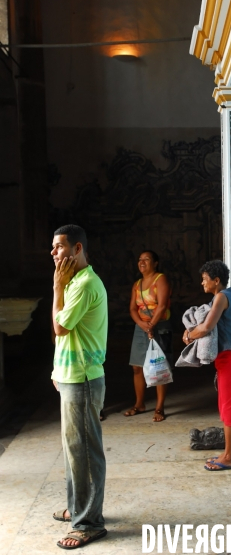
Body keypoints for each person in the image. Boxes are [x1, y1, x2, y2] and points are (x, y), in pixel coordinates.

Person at [51, 224, 108, 549]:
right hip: (71, 376)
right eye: (53, 247)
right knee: (75, 450)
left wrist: (57, 288)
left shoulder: (84, 284)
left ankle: (88, 522)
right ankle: (78, 508)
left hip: (84, 379)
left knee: (85, 451)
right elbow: (66, 336)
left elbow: (59, 326)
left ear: (77, 250)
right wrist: (56, 370)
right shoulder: (74, 283)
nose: (54, 253)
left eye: (59, 247)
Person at [182, 260, 231, 471]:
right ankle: (228, 452)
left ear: (216, 281)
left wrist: (190, 335)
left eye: (204, 279)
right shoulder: (224, 296)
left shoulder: (221, 297)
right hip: (227, 359)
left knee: (230, 409)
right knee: (226, 406)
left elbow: (207, 327)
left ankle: (230, 457)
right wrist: (192, 332)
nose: (202, 283)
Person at [125, 250, 172, 422]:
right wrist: (142, 324)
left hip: (159, 326)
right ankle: (140, 404)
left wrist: (151, 325)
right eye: (140, 259)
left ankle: (159, 407)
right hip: (142, 327)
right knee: (137, 367)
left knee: (159, 366)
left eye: (147, 259)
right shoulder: (137, 284)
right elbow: (132, 308)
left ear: (156, 263)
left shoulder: (161, 279)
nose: (142, 262)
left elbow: (161, 306)